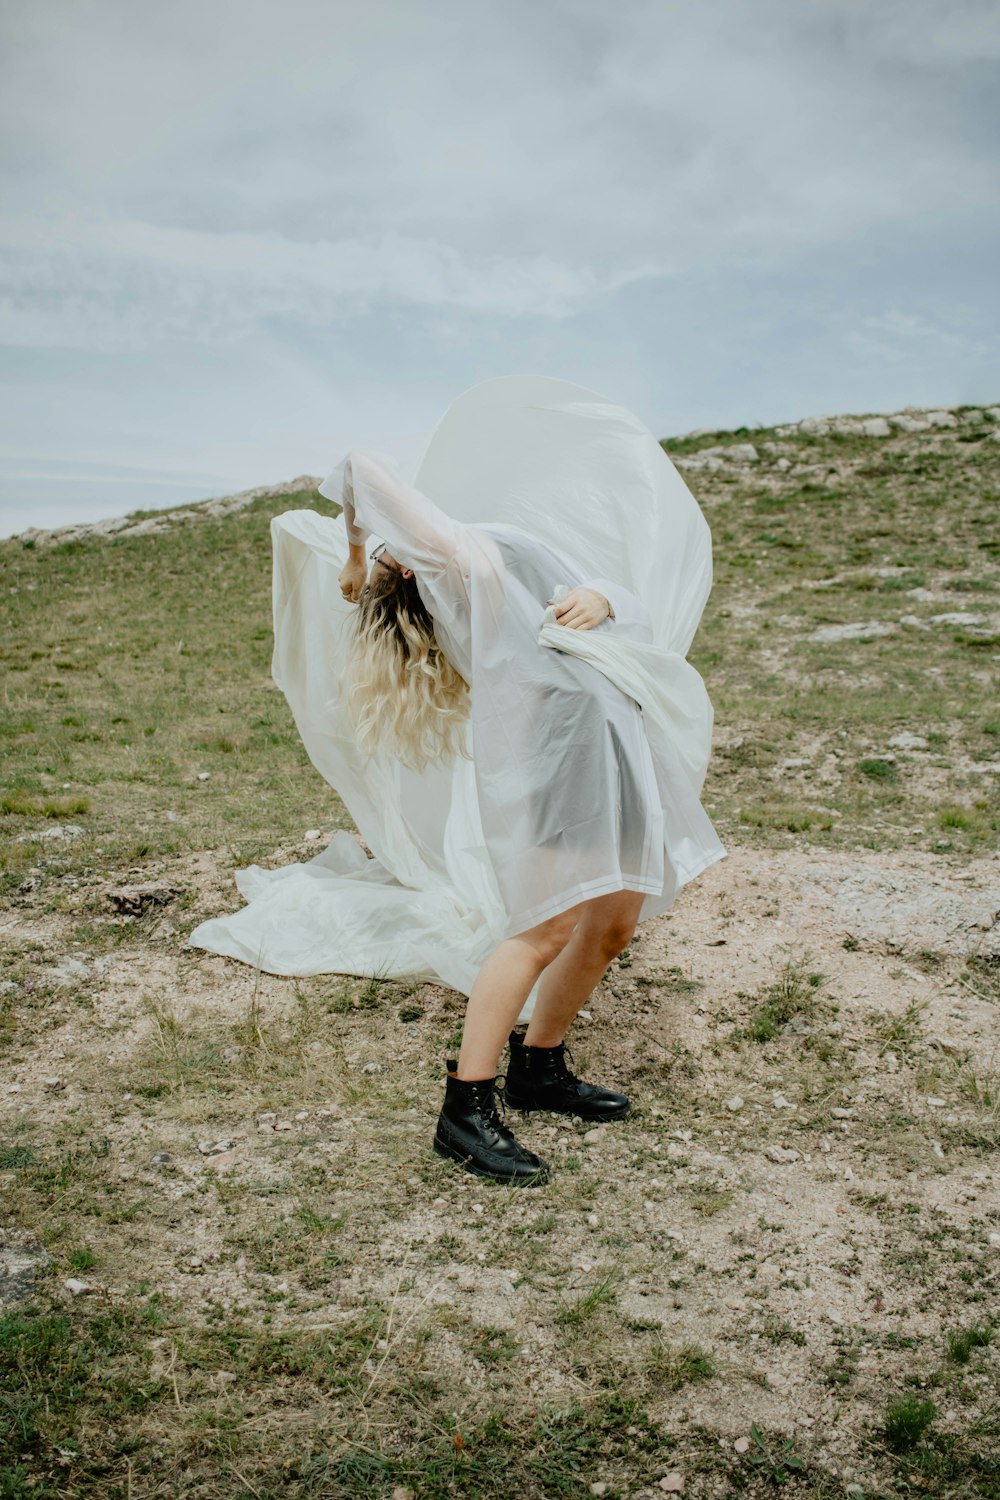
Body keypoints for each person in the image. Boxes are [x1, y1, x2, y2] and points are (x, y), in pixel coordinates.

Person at [188, 376, 725, 1189]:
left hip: (617, 746)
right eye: (406, 545)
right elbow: (360, 466)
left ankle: (539, 1068)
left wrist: (599, 594)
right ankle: (463, 1110)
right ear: (414, 573)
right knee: (543, 927)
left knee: (615, 922)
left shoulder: (495, 554)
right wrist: (359, 552)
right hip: (559, 757)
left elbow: (626, 603)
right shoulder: (460, 570)